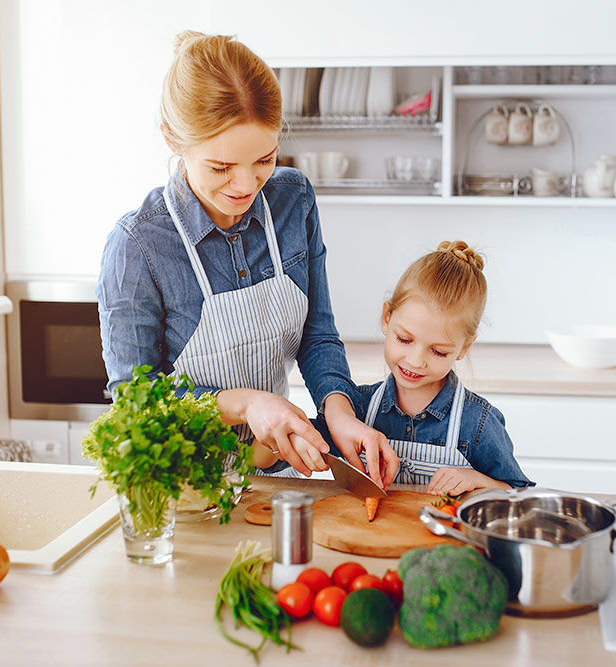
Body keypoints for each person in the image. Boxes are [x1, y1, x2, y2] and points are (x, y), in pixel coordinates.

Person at [95, 30, 399, 487]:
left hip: (272, 475)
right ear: (173, 140)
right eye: (220, 167)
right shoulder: (138, 245)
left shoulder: (293, 200)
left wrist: (340, 414)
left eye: (264, 159)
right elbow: (135, 398)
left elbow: (317, 335)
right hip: (181, 491)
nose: (245, 185)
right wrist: (246, 404)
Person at [298, 240, 533, 495]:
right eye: (405, 340)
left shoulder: (477, 422)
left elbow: (520, 494)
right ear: (387, 318)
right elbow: (286, 449)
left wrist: (475, 479)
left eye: (438, 351)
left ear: (464, 347)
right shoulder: (357, 407)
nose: (415, 361)